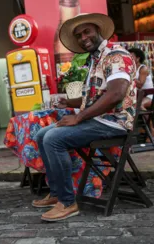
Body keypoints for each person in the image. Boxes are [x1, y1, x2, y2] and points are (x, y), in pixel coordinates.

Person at [32, 13, 137, 222]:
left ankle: (67, 202)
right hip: (99, 120)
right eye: (79, 35)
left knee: (54, 139)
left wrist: (78, 118)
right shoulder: (95, 59)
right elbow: (95, 96)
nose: (83, 38)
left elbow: (116, 94)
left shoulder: (116, 55)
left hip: (114, 123)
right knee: (42, 134)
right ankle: (56, 193)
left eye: (86, 31)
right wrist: (69, 103)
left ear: (98, 30)